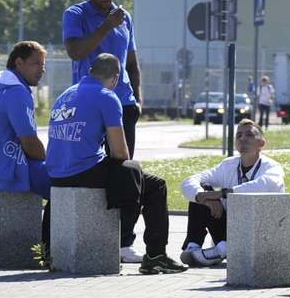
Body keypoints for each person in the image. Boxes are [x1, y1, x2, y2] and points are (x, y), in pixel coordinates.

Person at [45, 54, 186, 275]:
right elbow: (120, 152)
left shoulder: (66, 94)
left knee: (131, 175)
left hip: (56, 174)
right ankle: (155, 256)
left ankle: (47, 251)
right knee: (154, 184)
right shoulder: (107, 97)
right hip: (84, 171)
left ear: (90, 71)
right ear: (115, 78)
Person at [63, 0, 146, 260]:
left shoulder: (125, 17)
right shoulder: (76, 14)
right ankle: (92, 233)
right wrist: (105, 27)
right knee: (90, 167)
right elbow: (75, 51)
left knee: (125, 169)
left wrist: (138, 97)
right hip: (89, 103)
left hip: (123, 103)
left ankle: (124, 241)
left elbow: (131, 61)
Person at [179, 119, 286, 266]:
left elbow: (266, 185)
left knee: (210, 195)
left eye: (249, 135)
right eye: (239, 135)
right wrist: (205, 198)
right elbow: (189, 181)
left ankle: (222, 249)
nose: (243, 139)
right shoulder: (228, 165)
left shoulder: (272, 167)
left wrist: (222, 194)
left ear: (262, 143)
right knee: (203, 190)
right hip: (228, 229)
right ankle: (194, 246)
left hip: (260, 232)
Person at [0, 41, 50, 202]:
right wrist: (49, 159)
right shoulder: (16, 92)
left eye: (43, 65)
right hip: (9, 168)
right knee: (66, 182)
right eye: (36, 63)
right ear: (19, 63)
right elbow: (30, 144)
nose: (42, 70)